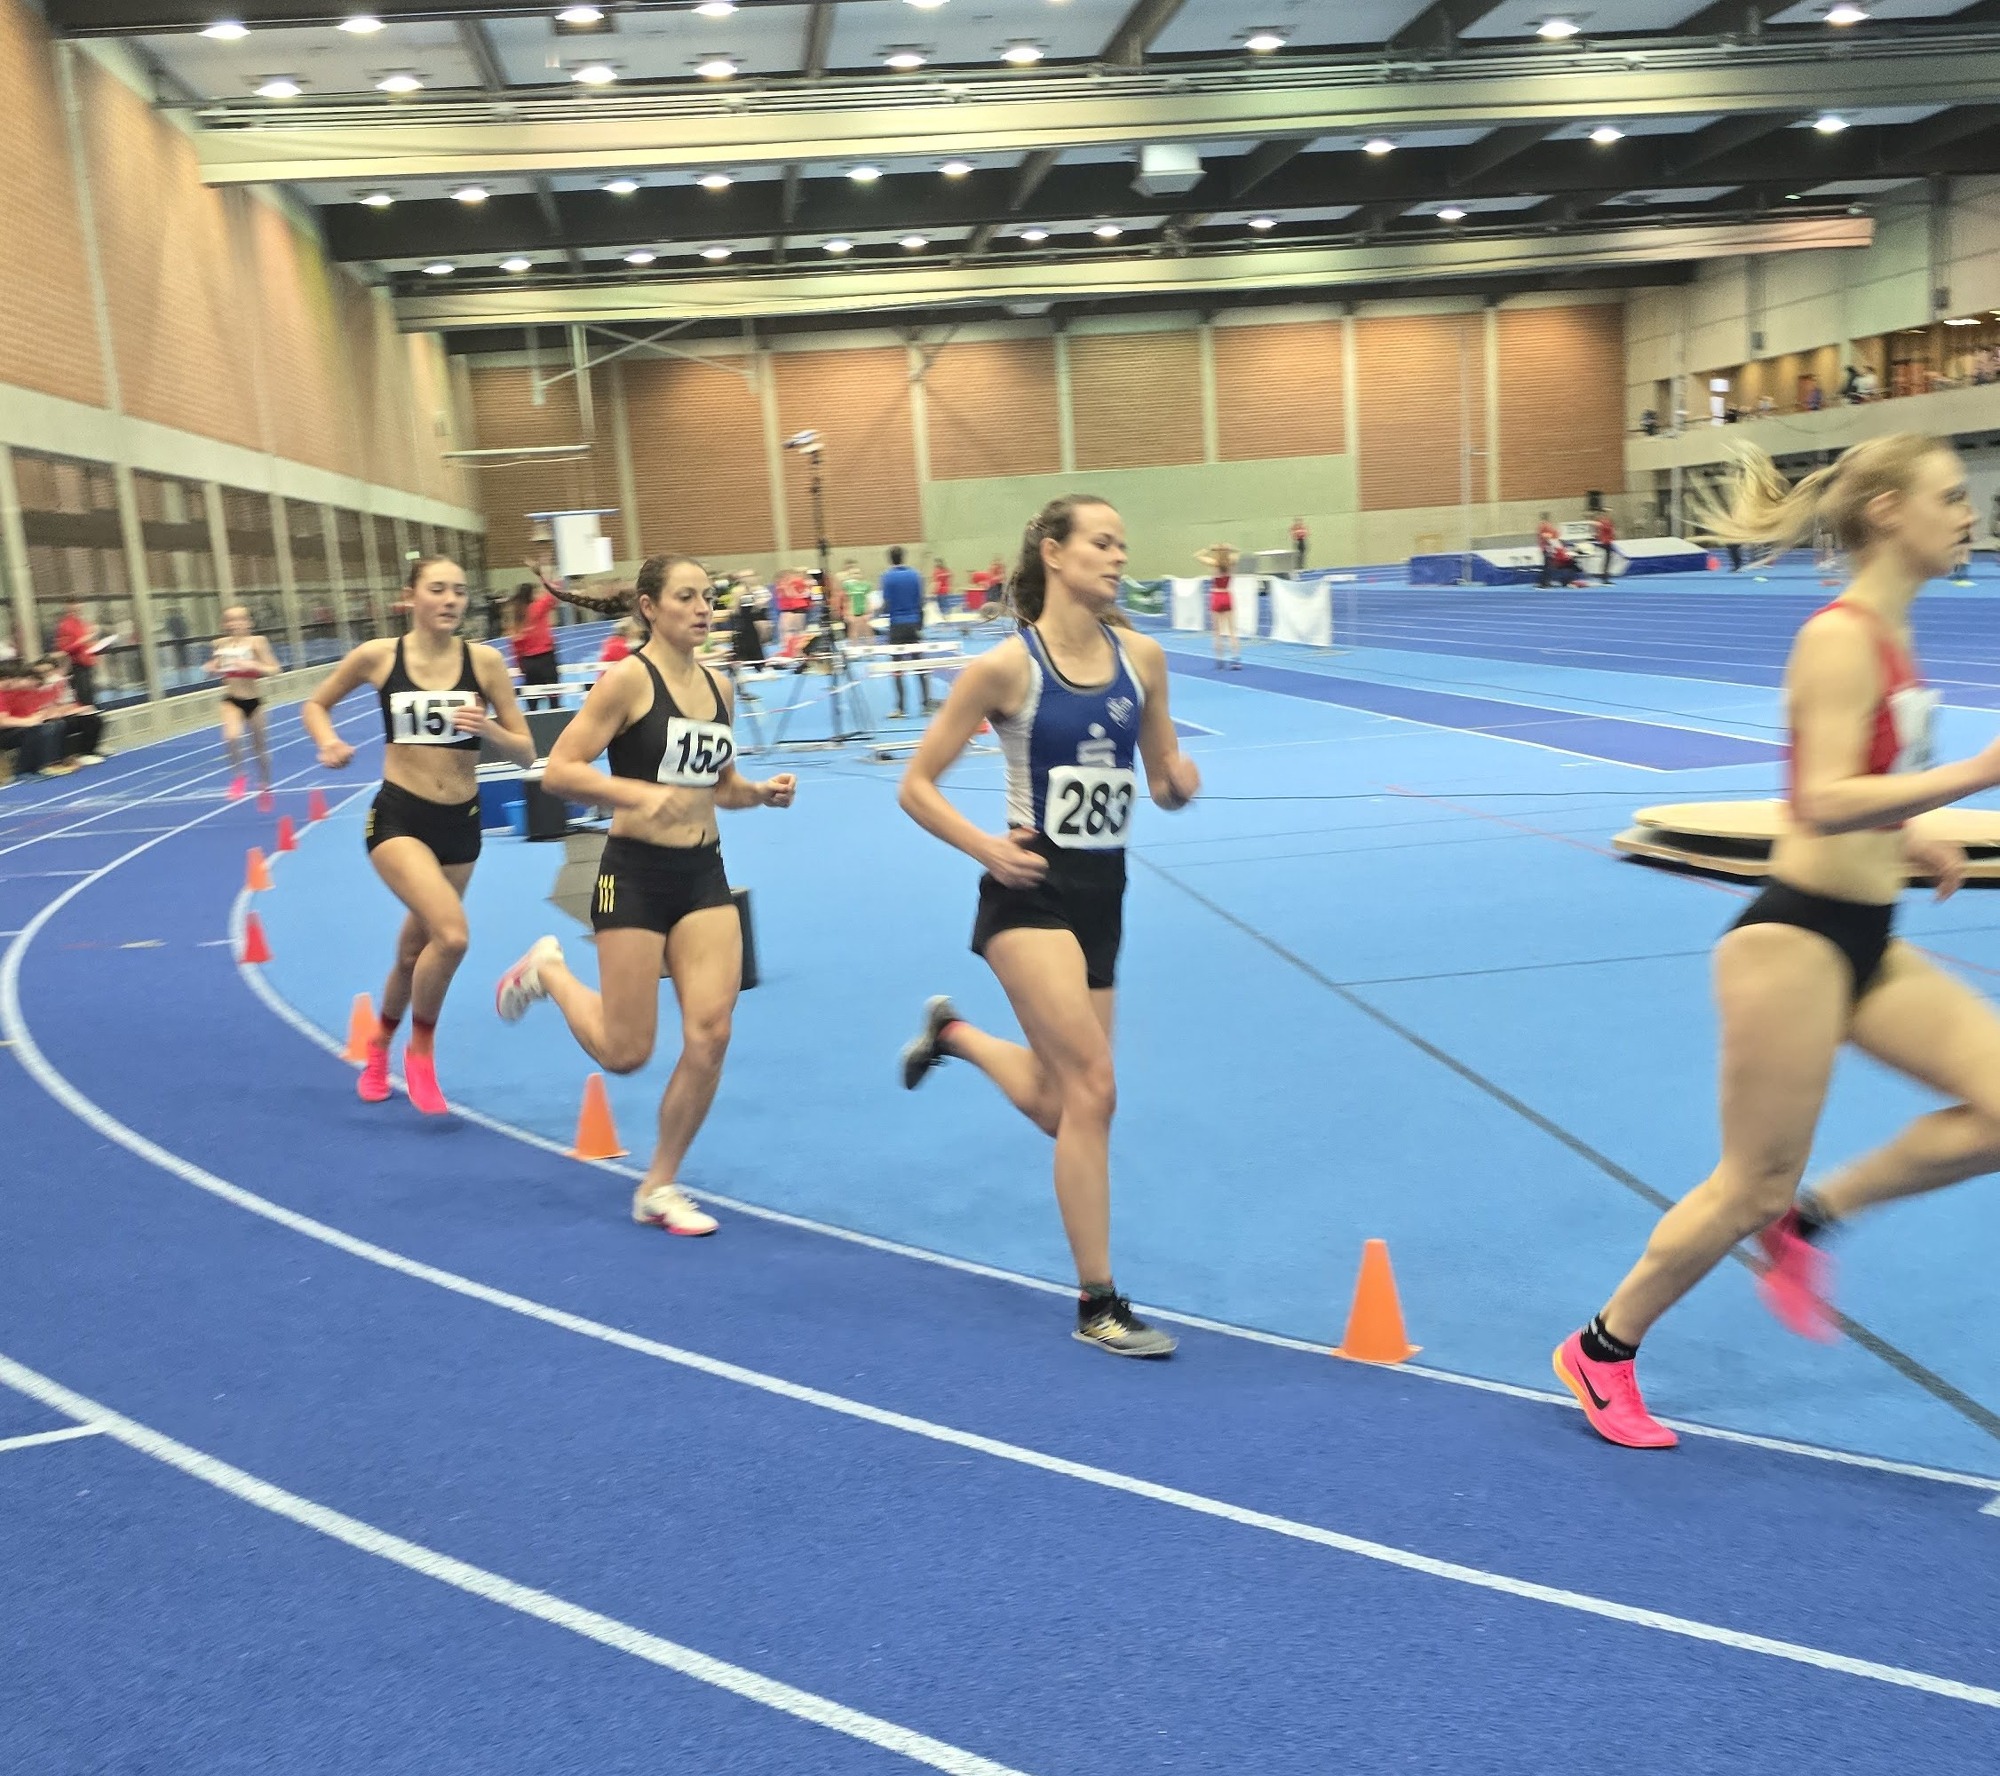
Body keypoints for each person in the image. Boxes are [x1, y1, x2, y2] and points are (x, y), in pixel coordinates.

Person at [1553, 433, 2000, 1450]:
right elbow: (1819, 799)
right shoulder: (1839, 637)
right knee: (1748, 1184)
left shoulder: (1892, 634)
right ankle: (1601, 1348)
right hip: (1793, 939)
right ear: (1887, 511)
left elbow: (1855, 785)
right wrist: (1975, 778)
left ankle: (1816, 1217)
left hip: (1866, 937)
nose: (1968, 513)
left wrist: (1912, 834)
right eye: (1948, 496)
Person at [896, 494, 1202, 1356]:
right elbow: (915, 785)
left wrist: (1180, 783)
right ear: (1055, 554)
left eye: (1123, 543)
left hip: (1104, 896)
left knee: (1056, 1103)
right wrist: (986, 849)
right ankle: (1098, 1303)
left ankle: (952, 1035)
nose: (1118, 556)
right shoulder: (1005, 668)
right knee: (1096, 1088)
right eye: (1102, 542)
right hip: (1027, 893)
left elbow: (1163, 777)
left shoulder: (1143, 658)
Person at [494, 554, 797, 1238]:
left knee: (712, 1035)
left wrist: (758, 793)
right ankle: (549, 970)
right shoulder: (627, 681)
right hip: (632, 874)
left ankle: (659, 1184)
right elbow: (559, 772)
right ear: (650, 607)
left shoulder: (719, 687)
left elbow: (720, 786)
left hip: (703, 874)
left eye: (708, 597)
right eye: (686, 596)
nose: (702, 608)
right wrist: (633, 793)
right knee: (625, 1053)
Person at [302, 556, 535, 1116]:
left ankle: (377, 1046)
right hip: (399, 819)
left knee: (412, 954)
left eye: (459, 591)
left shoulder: (485, 663)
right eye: (437, 589)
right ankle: (421, 1051)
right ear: (410, 596)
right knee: (451, 937)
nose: (451, 600)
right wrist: (327, 741)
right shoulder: (379, 656)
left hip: (462, 824)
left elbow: (527, 751)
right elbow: (316, 703)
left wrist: (490, 730)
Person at [205, 604, 281, 804]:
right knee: (231, 737)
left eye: (240, 619)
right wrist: (211, 669)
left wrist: (254, 665)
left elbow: (275, 669)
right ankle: (239, 776)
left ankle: (264, 783)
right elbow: (216, 670)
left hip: (254, 702)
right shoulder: (220, 644)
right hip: (232, 700)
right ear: (225, 624)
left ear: (249, 622)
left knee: (260, 749)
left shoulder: (257, 642)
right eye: (231, 620)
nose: (236, 623)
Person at [880, 545, 933, 717]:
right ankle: (926, 705)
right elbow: (921, 601)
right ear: (904, 557)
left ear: (890, 559)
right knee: (920, 665)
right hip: (913, 624)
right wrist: (919, 622)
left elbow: (886, 603)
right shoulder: (915, 575)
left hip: (896, 625)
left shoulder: (887, 577)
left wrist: (881, 612)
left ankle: (900, 708)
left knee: (897, 667)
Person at [0, 659, 65, 777]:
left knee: (56, 724)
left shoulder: (11, 692)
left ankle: (51, 763)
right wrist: (29, 721)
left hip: (12, 729)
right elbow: (3, 722)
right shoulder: (2, 694)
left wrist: (40, 716)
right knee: (37, 729)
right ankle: (25, 769)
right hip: (4, 733)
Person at [511, 571, 562, 708]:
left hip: (528, 662)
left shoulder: (518, 615)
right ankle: (556, 714)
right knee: (553, 691)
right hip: (545, 657)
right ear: (531, 595)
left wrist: (520, 663)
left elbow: (515, 642)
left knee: (532, 694)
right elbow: (554, 592)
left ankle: (533, 716)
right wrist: (543, 575)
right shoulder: (537, 607)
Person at [51, 602, 106, 711]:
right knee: (83, 695)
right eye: (75, 609)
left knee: (89, 693)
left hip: (87, 662)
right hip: (76, 664)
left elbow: (88, 643)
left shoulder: (83, 623)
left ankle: (91, 712)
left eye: (79, 609)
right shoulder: (65, 625)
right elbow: (65, 648)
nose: (78, 611)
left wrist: (94, 646)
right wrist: (82, 641)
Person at [1195, 543, 1241, 669]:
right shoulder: (1231, 562)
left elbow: (1197, 556)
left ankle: (1219, 660)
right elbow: (1238, 551)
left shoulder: (1214, 563)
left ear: (1217, 553)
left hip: (1216, 596)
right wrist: (1230, 547)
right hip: (1227, 595)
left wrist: (1209, 549)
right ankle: (1236, 660)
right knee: (1232, 631)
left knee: (1217, 632)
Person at [1592, 507, 1618, 585]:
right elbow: (1606, 530)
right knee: (1606, 560)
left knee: (1607, 560)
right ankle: (1604, 577)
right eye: (1607, 512)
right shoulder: (1602, 522)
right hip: (1605, 542)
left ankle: (1604, 576)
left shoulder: (1606, 521)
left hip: (1607, 541)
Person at [1535, 513, 1560, 588]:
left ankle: (1546, 581)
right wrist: (1553, 536)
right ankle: (1544, 582)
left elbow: (1552, 535)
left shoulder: (1545, 526)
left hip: (1548, 547)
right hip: (1547, 548)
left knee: (1549, 566)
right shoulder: (1544, 526)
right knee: (1548, 566)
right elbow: (1545, 536)